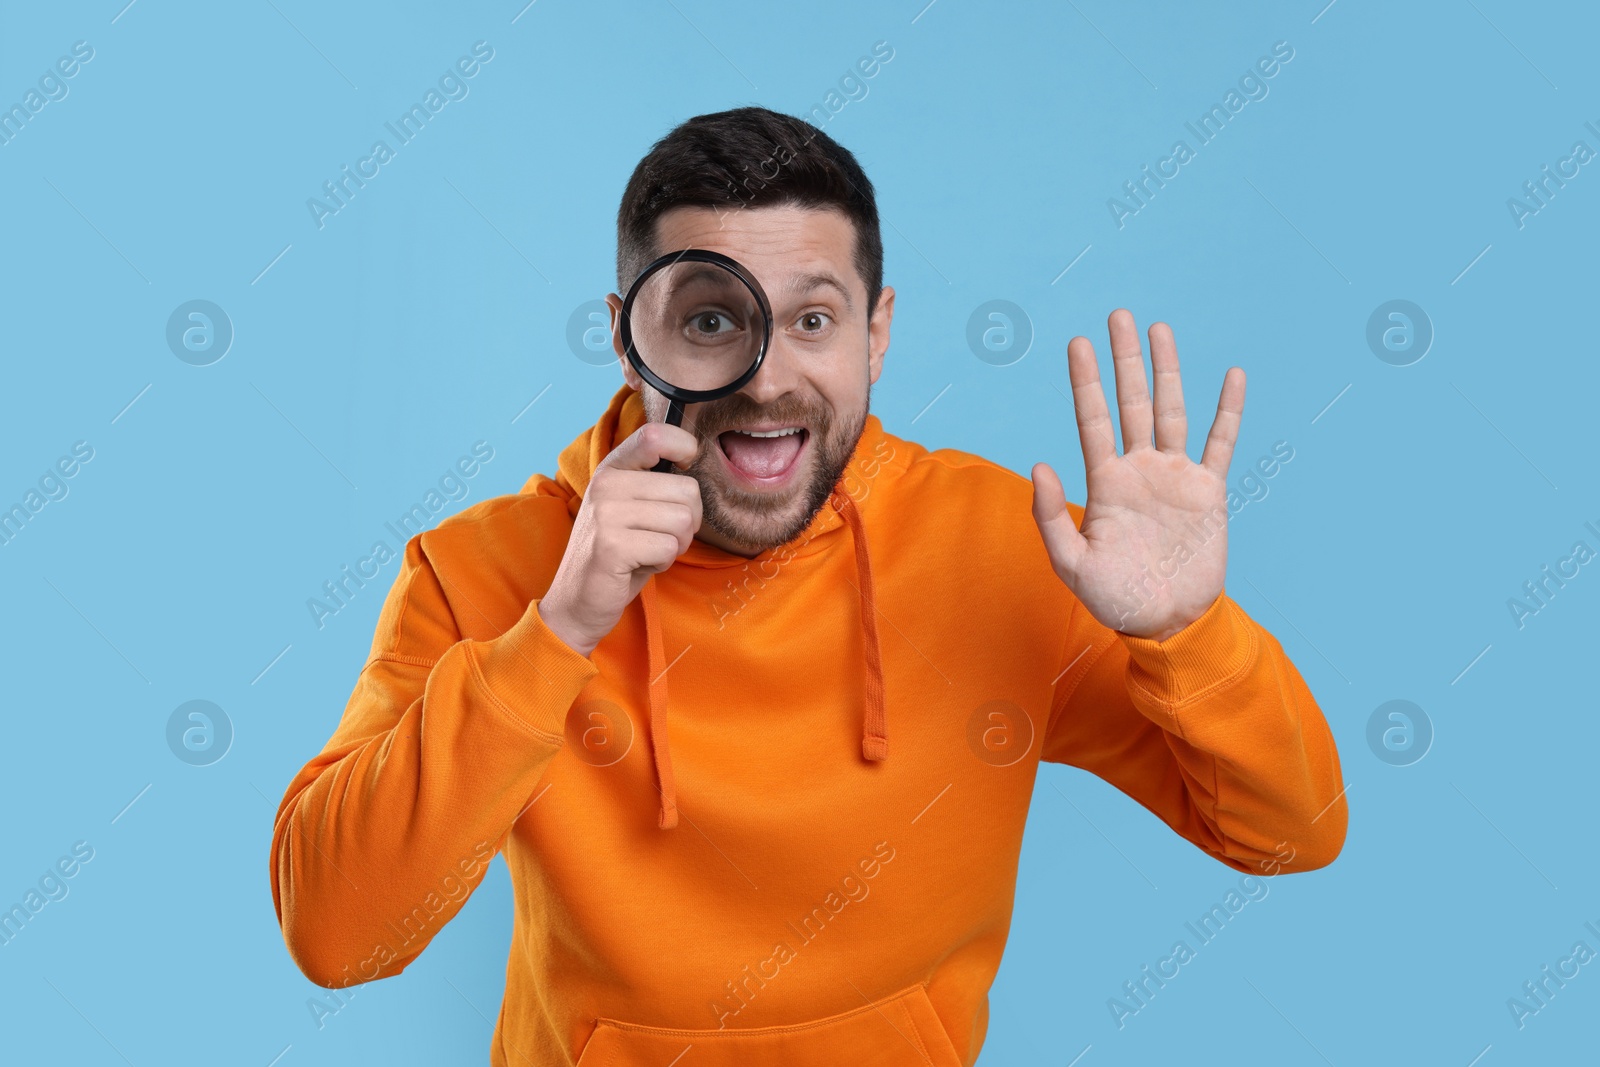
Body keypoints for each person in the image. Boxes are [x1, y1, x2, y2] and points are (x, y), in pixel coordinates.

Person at [269, 105, 1347, 1066]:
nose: (768, 373)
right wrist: (559, 630)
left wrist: (1184, 630)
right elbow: (336, 932)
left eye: (815, 320)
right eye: (709, 320)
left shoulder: (1010, 548)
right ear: (628, 336)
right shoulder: (483, 569)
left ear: (877, 334)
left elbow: (1292, 831)